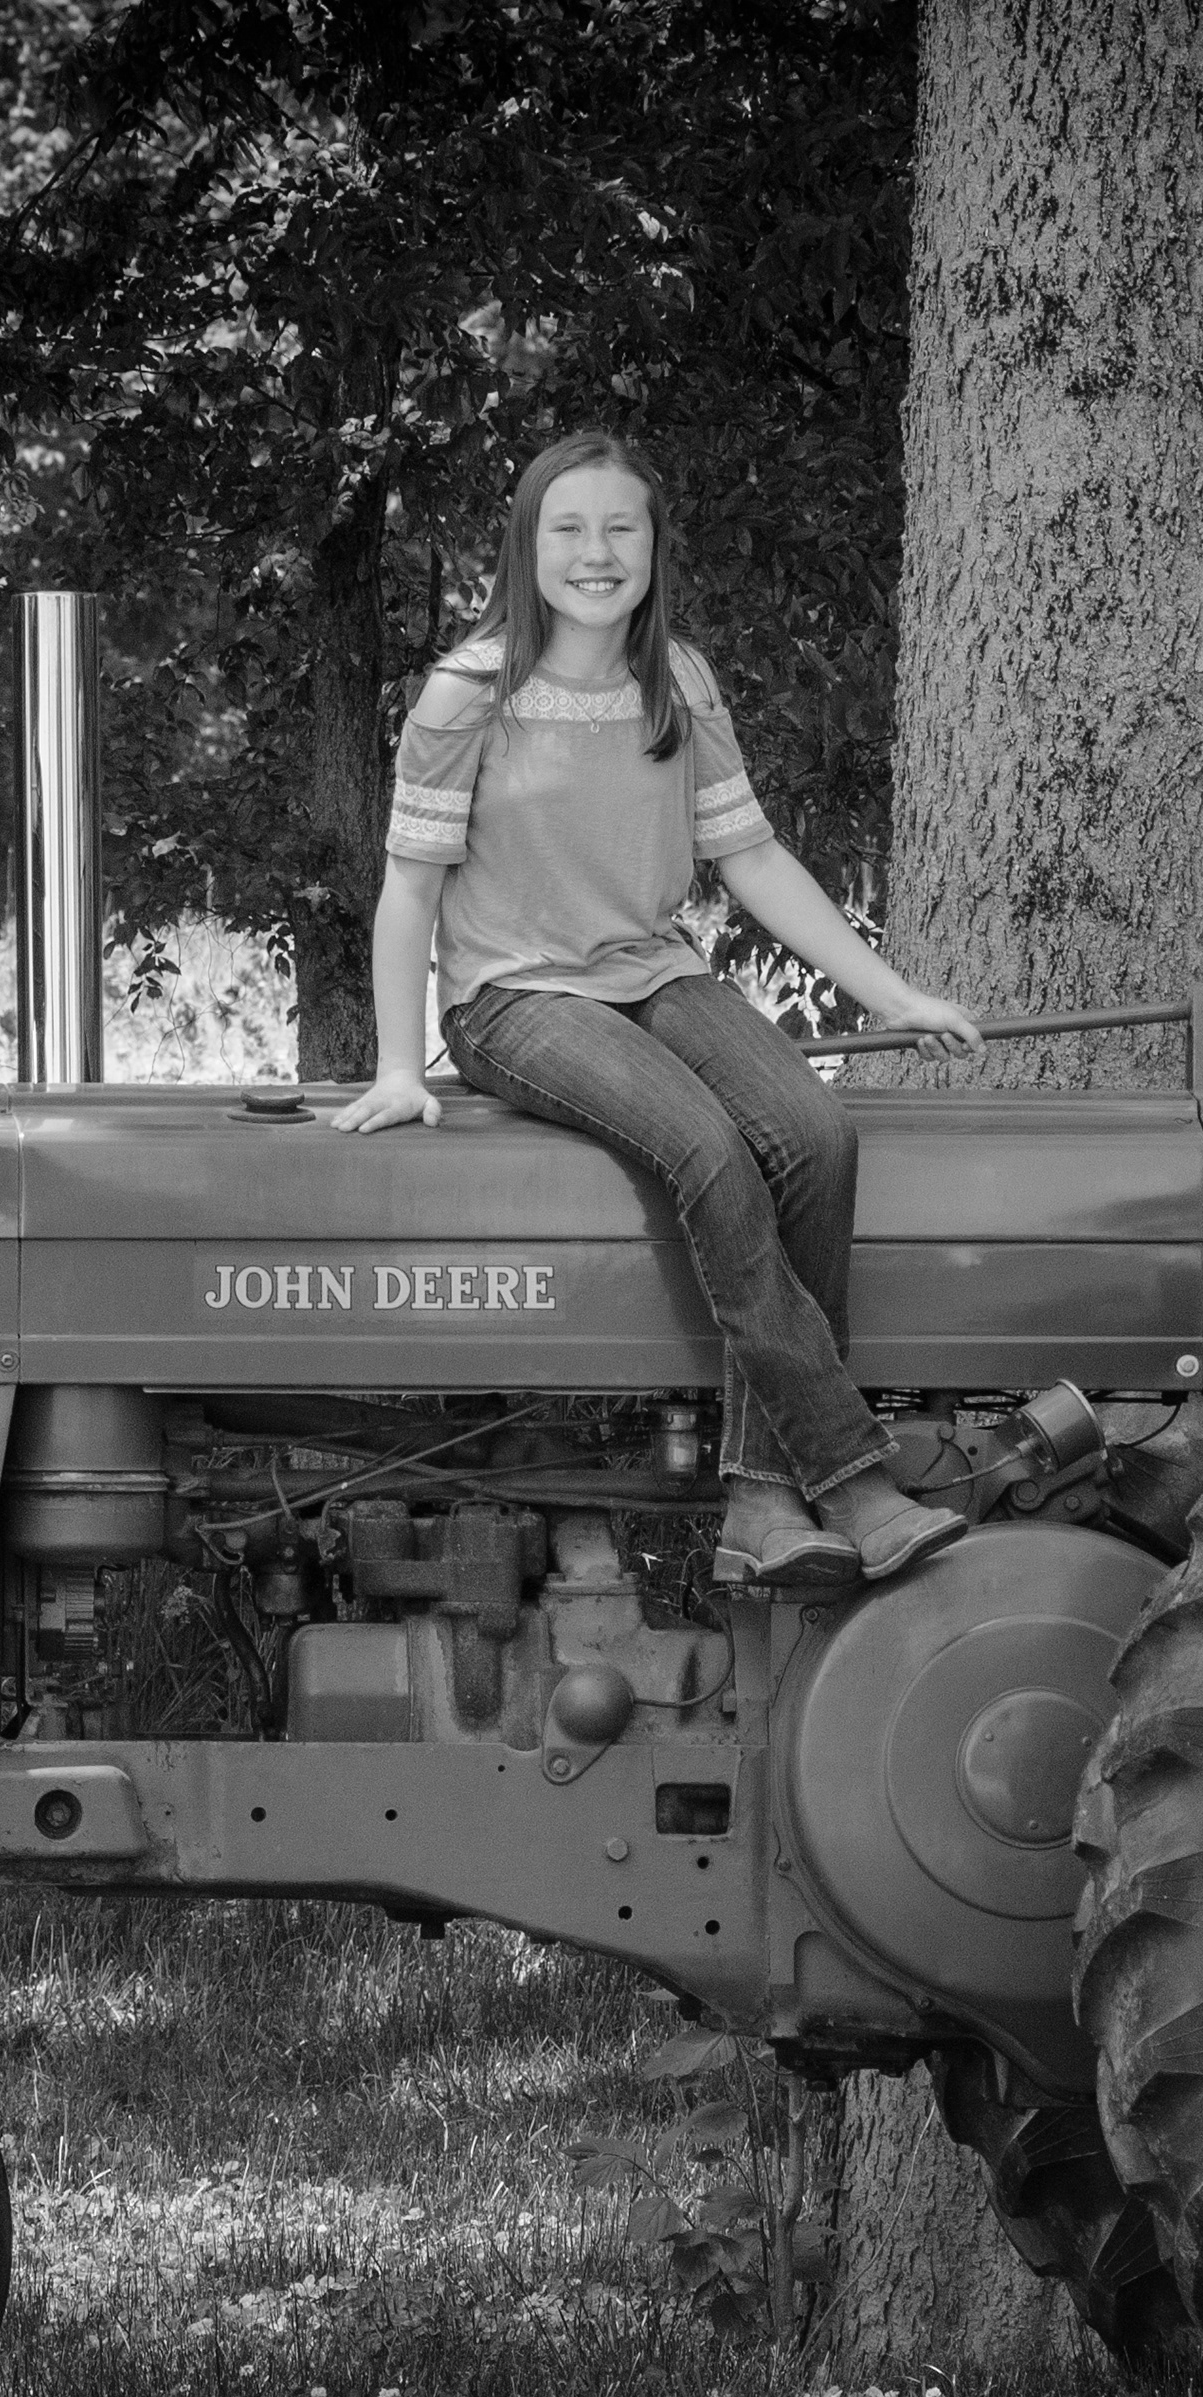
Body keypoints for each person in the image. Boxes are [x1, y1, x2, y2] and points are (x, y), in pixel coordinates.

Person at [329, 433, 980, 1590]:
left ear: (653, 545)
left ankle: (763, 1501)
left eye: (620, 527)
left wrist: (895, 993)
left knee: (817, 1135)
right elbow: (410, 888)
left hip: (652, 971)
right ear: (527, 548)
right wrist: (397, 1066)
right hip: (513, 996)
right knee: (710, 1151)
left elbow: (754, 858)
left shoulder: (677, 682)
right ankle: (846, 1473)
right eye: (568, 528)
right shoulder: (468, 694)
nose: (596, 552)